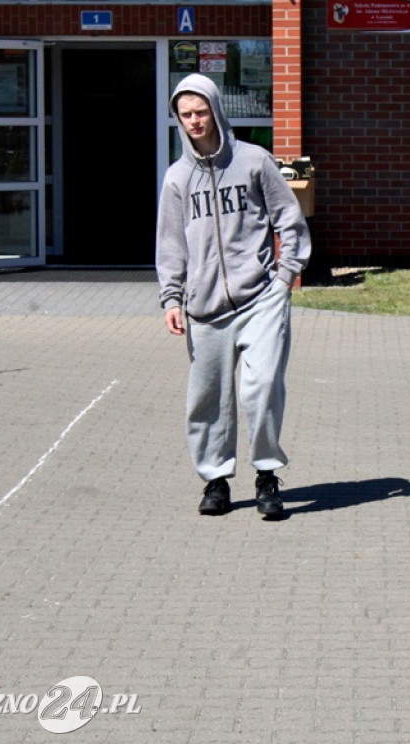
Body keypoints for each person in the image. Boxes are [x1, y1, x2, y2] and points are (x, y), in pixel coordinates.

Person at [156, 73, 311, 518]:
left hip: (261, 298)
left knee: (261, 388)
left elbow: (289, 219)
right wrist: (172, 298)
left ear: (216, 109)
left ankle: (266, 476)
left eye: (201, 111)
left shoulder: (254, 161)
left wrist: (285, 277)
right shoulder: (177, 178)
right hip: (205, 309)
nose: (194, 121)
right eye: (186, 115)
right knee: (208, 400)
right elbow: (170, 244)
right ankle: (216, 481)